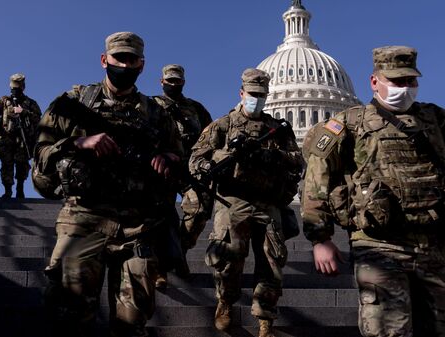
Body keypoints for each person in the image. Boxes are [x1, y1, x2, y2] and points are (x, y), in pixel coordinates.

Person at [32, 32, 183, 337]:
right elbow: (40, 155)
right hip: (84, 218)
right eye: (119, 58)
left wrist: (168, 158)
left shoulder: (157, 113)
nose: (124, 65)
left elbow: (180, 156)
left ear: (141, 65)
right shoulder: (72, 103)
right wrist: (78, 142)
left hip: (137, 224)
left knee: (132, 322)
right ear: (104, 60)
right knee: (71, 314)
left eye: (131, 60)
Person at [301, 46, 445, 337]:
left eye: (410, 81)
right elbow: (318, 176)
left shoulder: (435, 121)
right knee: (388, 330)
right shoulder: (347, 123)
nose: (404, 88)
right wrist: (320, 237)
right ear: (374, 81)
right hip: (378, 243)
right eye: (396, 81)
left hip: (433, 243)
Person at [189, 68, 303, 335]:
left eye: (262, 95)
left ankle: (265, 319)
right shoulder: (223, 126)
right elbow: (196, 160)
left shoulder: (277, 130)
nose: (257, 99)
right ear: (242, 93)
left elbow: (297, 162)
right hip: (233, 201)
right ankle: (225, 302)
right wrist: (228, 155)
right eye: (253, 94)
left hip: (268, 202)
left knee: (272, 263)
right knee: (228, 259)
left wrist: (275, 158)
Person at [152, 64, 213, 287]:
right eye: (169, 81)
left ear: (183, 82)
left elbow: (210, 136)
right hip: (162, 167)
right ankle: (160, 267)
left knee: (200, 209)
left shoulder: (196, 109)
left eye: (177, 81)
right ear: (161, 82)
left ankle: (179, 252)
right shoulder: (151, 105)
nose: (173, 84)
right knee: (162, 215)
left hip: (190, 168)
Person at [0, 73, 41, 198]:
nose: (15, 91)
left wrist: (24, 112)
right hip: (6, 138)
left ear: (23, 88)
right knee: (6, 165)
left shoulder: (31, 103)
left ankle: (20, 188)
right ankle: (8, 190)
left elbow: (39, 120)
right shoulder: (3, 101)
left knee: (22, 165)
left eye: (17, 89)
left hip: (23, 140)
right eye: (13, 89)